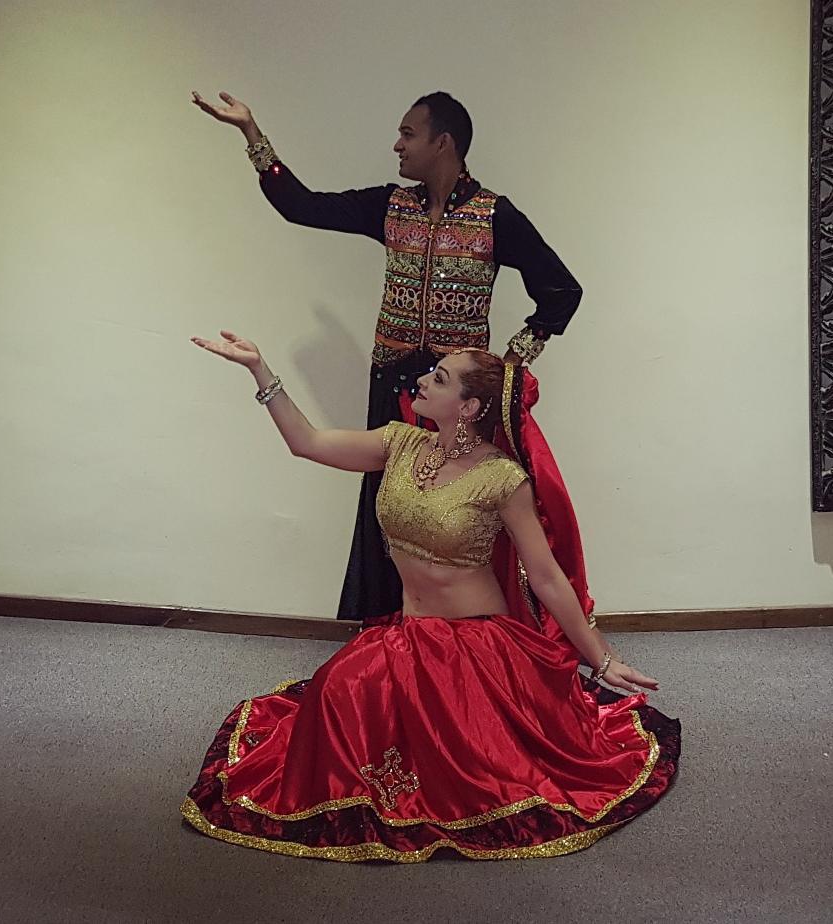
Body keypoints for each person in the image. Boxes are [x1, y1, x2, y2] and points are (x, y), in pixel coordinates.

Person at [180, 331, 681, 863]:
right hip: (406, 634)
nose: (421, 380)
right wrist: (260, 369)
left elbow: (546, 576)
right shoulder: (399, 443)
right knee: (334, 695)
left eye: (439, 378)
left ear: (469, 407)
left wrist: (600, 658)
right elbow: (307, 442)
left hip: (474, 644)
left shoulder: (501, 478)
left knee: (475, 764)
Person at [190, 89, 584, 624]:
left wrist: (509, 365)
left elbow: (562, 291)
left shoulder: (495, 215)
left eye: (408, 134)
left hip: (455, 395)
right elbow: (301, 206)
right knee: (389, 503)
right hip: (394, 384)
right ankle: (386, 630)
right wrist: (251, 133)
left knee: (462, 512)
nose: (397, 145)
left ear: (443, 143)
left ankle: (470, 633)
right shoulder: (391, 205)